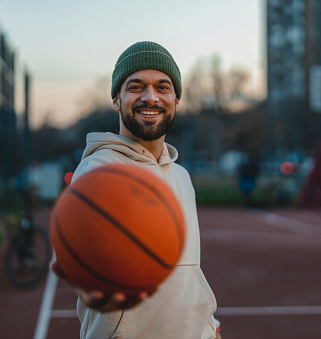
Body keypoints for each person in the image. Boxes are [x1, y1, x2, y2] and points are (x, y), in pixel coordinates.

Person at [51, 41, 221, 339]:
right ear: (117, 99)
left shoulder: (181, 176)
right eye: (136, 86)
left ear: (176, 100)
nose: (150, 97)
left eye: (163, 87)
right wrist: (90, 285)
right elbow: (79, 259)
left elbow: (188, 277)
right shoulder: (99, 174)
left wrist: (211, 327)